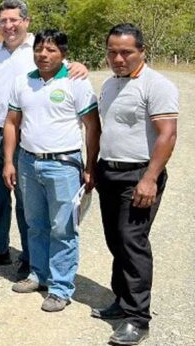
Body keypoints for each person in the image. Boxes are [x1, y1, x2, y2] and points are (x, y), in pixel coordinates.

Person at [0, 0, 88, 278]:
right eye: (3, 21)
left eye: (14, 20)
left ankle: (30, 256)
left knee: (28, 203)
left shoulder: (39, 49)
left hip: (26, 138)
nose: (8, 26)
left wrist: (80, 66)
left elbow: (66, 69)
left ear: (26, 21)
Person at [92, 24, 178, 345]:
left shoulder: (157, 85)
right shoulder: (110, 84)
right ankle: (121, 300)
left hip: (140, 175)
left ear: (141, 51)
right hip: (109, 173)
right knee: (115, 240)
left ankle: (138, 318)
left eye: (126, 52)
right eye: (112, 51)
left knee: (133, 241)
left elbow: (167, 135)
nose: (118, 58)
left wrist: (150, 178)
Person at [3, 30, 100, 313]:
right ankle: (38, 274)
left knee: (63, 228)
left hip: (63, 165)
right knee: (35, 224)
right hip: (28, 162)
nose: (43, 55)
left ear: (63, 54)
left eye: (51, 50)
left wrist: (90, 166)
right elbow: (11, 123)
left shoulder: (76, 81)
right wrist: (9, 161)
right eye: (39, 49)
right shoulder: (24, 81)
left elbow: (93, 127)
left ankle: (60, 288)